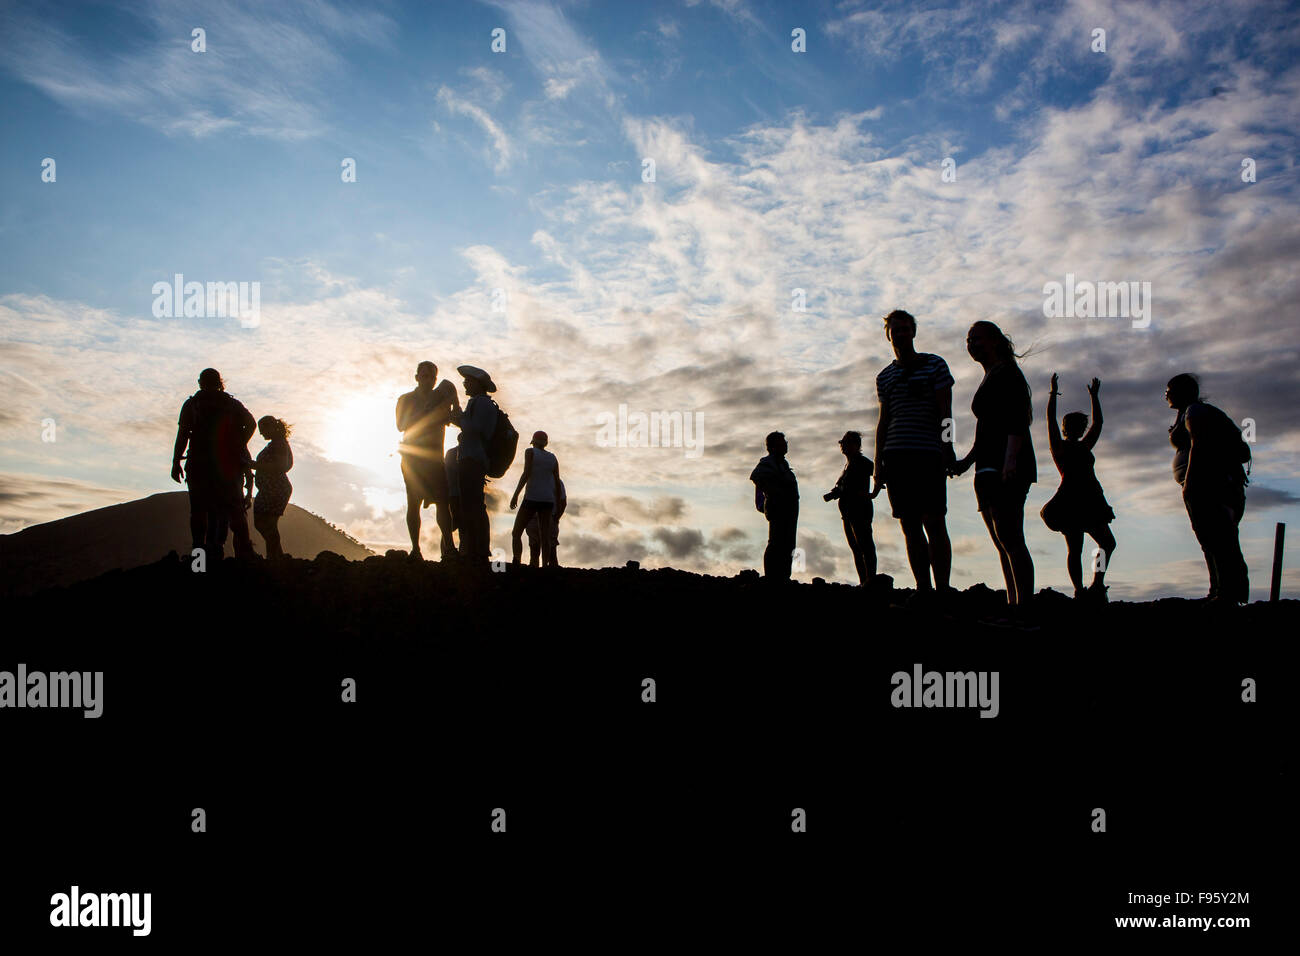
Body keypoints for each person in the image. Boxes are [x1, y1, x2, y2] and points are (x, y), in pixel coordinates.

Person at [949, 321, 1036, 607]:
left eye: (977, 339)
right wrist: (966, 462)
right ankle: (1013, 605)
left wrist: (1010, 461)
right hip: (985, 467)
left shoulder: (1008, 373)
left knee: (1011, 538)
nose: (971, 344)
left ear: (996, 341)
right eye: (968, 340)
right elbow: (985, 432)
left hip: (1006, 466)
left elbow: (1018, 420)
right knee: (1001, 542)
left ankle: (1024, 608)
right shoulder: (990, 376)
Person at [872, 310, 955, 598]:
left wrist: (948, 448)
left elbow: (946, 412)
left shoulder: (936, 366)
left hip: (928, 454)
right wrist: (877, 463)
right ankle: (924, 588)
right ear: (888, 335)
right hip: (896, 456)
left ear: (914, 332)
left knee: (934, 521)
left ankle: (942, 589)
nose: (901, 334)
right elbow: (884, 420)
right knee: (909, 525)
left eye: (906, 328)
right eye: (896, 329)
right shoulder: (885, 377)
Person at [1166, 373, 1250, 603]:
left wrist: (1191, 481)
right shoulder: (1188, 412)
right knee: (1209, 539)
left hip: (1208, 484)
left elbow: (1199, 443)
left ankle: (1228, 593)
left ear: (1183, 391)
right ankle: (1218, 590)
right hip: (1203, 484)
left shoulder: (1195, 412)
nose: (1166, 395)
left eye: (1169, 390)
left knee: (1219, 537)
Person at [1041, 375, 1115, 601]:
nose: (1080, 428)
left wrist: (1095, 397)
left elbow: (1098, 424)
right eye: (1075, 425)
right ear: (1067, 428)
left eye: (1081, 426)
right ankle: (1080, 589)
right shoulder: (1059, 448)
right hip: (1071, 501)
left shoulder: (1084, 446)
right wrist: (1053, 394)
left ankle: (1096, 584)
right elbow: (1050, 420)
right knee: (1076, 548)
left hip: (1090, 499)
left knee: (1107, 543)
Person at [171, 368, 256, 560]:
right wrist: (238, 444)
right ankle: (246, 554)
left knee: (199, 511)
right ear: (220, 382)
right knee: (235, 509)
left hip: (199, 463)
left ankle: (199, 557)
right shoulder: (232, 404)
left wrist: (176, 461)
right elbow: (251, 423)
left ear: (200, 382)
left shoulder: (192, 404)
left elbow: (183, 434)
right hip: (227, 464)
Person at [396, 362, 460, 561]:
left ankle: (449, 547)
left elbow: (456, 414)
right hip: (412, 459)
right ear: (416, 377)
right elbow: (400, 425)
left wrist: (455, 404)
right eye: (424, 376)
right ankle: (416, 549)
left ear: (435, 379)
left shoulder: (440, 398)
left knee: (443, 502)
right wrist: (428, 410)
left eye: (431, 377)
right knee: (413, 504)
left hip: (435, 459)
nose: (428, 380)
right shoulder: (406, 399)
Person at [450, 365, 500, 566]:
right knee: (474, 504)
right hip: (475, 459)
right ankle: (476, 549)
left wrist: (459, 419)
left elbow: (476, 429)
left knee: (472, 505)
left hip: (472, 459)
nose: (464, 383)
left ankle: (475, 551)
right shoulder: (483, 403)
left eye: (468, 380)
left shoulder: (480, 403)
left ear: (476, 383)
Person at [824, 431, 877, 586]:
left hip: (860, 509)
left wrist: (872, 493)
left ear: (857, 445)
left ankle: (870, 581)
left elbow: (880, 474)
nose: (844, 445)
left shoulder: (862, 462)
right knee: (856, 548)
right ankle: (864, 581)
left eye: (848, 442)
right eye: (843, 442)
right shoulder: (849, 465)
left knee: (865, 545)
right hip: (847, 511)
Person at [750, 432, 799, 581]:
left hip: (789, 510)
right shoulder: (768, 462)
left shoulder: (782, 464)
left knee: (788, 544)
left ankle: (783, 577)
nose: (785, 445)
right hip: (779, 509)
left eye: (785, 442)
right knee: (776, 543)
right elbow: (757, 476)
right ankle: (772, 578)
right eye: (781, 442)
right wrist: (773, 494)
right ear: (771, 446)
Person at [510, 431, 562, 567]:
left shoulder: (530, 452)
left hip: (532, 498)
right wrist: (556, 502)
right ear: (545, 443)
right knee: (545, 535)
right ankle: (545, 565)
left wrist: (515, 494)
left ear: (533, 442)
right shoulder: (553, 457)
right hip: (548, 500)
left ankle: (516, 561)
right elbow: (556, 482)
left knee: (516, 532)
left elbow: (526, 473)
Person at [247, 416, 294, 559]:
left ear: (272, 427)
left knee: (267, 524)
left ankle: (275, 557)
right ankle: (275, 555)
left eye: (263, 430)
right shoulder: (276, 444)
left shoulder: (279, 444)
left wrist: (255, 465)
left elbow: (282, 466)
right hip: (270, 488)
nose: (261, 434)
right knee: (266, 524)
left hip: (275, 488)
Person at [526, 477, 566, 567]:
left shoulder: (557, 482)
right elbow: (563, 502)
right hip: (536, 518)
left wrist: (556, 517)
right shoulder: (532, 480)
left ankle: (547, 573)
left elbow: (563, 502)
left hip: (548, 517)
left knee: (549, 549)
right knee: (536, 550)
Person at [443, 444, 461, 556]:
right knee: (453, 524)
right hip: (454, 494)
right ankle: (446, 550)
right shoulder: (453, 453)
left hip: (454, 493)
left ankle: (446, 550)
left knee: (454, 524)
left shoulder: (451, 452)